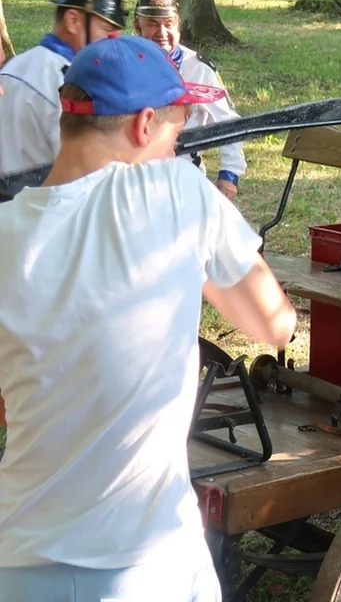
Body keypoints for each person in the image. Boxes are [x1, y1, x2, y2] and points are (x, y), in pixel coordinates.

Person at [0, 35, 296, 602]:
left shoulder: (6, 232)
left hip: (18, 560)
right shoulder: (176, 191)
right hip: (146, 565)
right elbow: (275, 324)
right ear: (143, 126)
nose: (176, 149)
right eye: (175, 135)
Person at [0, 0, 129, 176]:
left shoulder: (14, 67)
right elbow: (86, 172)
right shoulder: (71, 87)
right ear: (73, 21)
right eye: (107, 29)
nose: (112, 41)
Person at [132, 0, 245, 201]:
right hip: (134, 179)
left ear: (179, 25)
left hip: (183, 179)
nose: (162, 32)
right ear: (138, 26)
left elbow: (229, 123)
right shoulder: (122, 64)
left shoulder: (198, 68)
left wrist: (229, 174)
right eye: (152, 24)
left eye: (169, 23)